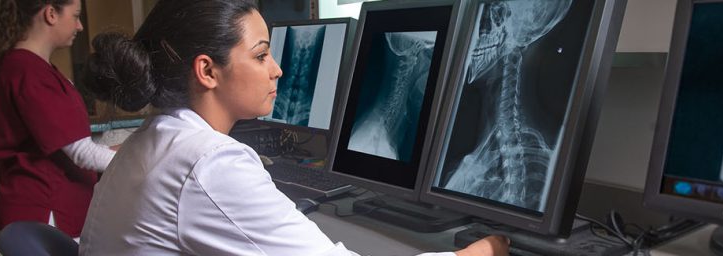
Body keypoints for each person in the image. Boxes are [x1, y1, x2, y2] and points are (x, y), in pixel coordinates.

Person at [78, 0, 508, 255]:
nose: (279, 70)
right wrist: (477, 252)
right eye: (262, 55)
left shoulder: (151, 140)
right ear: (207, 71)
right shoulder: (209, 164)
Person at [0, 0, 117, 238]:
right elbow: (82, 153)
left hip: (54, 203)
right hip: (45, 209)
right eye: (75, 16)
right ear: (51, 14)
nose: (79, 26)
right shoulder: (27, 70)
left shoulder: (35, 68)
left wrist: (123, 151)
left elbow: (67, 144)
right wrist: (142, 162)